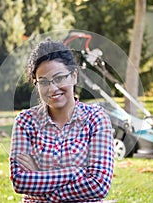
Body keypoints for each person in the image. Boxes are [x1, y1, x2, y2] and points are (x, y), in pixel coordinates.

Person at [9, 38, 114, 202]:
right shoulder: (25, 122)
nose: (52, 88)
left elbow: (98, 185)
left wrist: (39, 176)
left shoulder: (96, 118)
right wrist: (76, 172)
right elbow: (20, 181)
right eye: (43, 82)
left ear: (74, 76)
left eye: (59, 78)